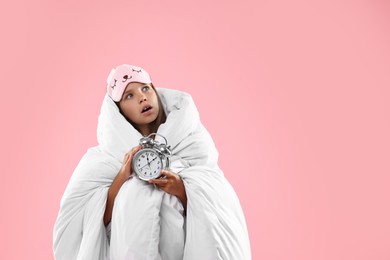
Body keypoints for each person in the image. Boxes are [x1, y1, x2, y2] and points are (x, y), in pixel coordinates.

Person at [53, 64, 251, 260]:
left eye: (145, 88)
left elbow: (216, 200)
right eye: (129, 96)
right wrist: (122, 178)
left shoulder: (191, 142)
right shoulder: (102, 161)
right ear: (118, 111)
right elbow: (85, 226)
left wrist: (181, 189)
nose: (142, 97)